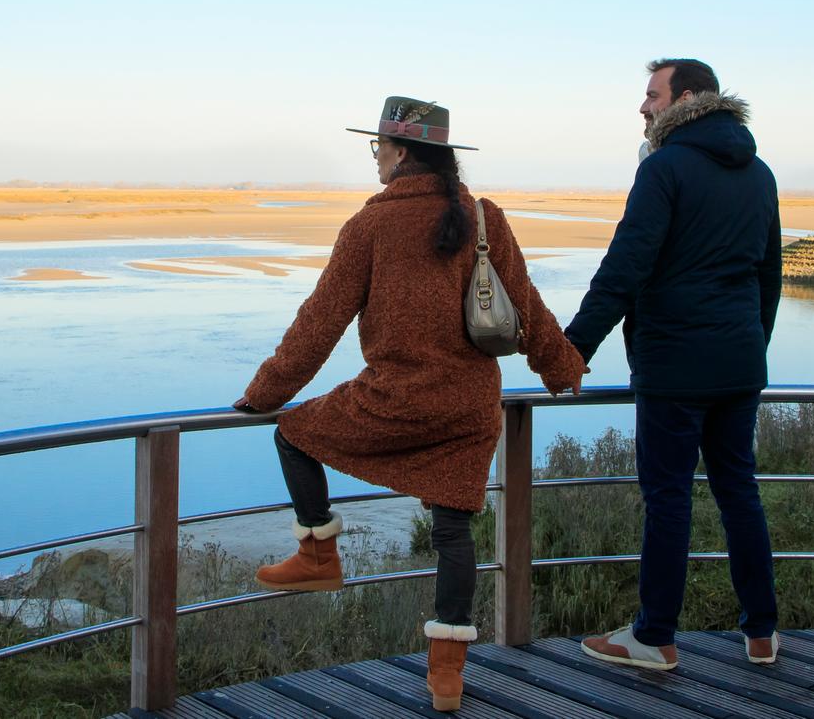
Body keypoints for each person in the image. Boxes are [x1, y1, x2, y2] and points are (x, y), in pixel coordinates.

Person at [235, 96, 586, 713]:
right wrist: (560, 368)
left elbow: (318, 325)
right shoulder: (482, 216)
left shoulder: (370, 225)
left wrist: (262, 394)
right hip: (473, 404)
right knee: (453, 528)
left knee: (293, 432)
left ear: (399, 154)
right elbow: (523, 305)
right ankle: (446, 674)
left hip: (398, 398)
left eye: (378, 149)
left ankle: (317, 552)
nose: (375, 159)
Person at [565, 58, 783, 670]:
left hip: (675, 369)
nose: (642, 107)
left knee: (668, 499)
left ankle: (655, 635)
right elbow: (769, 277)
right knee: (740, 493)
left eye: (651, 95)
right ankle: (761, 633)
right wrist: (750, 347)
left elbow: (624, 268)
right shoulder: (760, 173)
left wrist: (572, 350)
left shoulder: (664, 169)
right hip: (739, 365)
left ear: (685, 98)